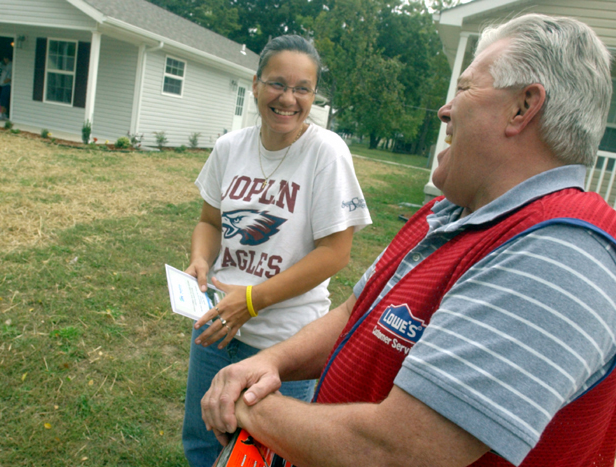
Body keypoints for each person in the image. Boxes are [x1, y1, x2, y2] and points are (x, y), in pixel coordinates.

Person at [201, 14, 616, 467]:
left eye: (464, 88)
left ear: (522, 107)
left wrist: (246, 404)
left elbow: (399, 452)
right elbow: (354, 313)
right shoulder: (447, 213)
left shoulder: (558, 255)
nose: (444, 109)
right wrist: (274, 362)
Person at [182, 35, 372, 467]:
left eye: (302, 88)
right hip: (215, 330)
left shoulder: (326, 152)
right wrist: (200, 259)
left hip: (282, 343)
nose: (288, 98)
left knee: (266, 457)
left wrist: (250, 302)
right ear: (254, 84)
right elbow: (210, 222)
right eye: (277, 84)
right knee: (202, 442)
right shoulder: (230, 148)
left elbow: (334, 253)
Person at [0, 55, 12, 120]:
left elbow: (10, 77)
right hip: (3, 85)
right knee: (3, 99)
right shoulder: (6, 65)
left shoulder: (10, 66)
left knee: (3, 100)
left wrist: (4, 82)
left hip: (7, 85)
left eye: (5, 58)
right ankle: (4, 114)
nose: (4, 60)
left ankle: (1, 113)